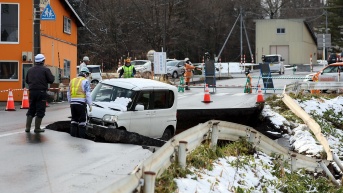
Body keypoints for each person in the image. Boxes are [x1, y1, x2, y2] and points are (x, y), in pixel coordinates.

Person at [25, 54, 55, 133]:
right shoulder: (45, 70)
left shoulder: (30, 70)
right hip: (41, 92)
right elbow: (51, 80)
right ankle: (37, 128)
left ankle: (27, 128)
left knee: (31, 109)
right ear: (43, 61)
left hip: (32, 91)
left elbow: (27, 80)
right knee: (40, 109)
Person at [67, 67, 93, 138]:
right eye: (87, 74)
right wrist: (90, 104)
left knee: (74, 120)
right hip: (81, 103)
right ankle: (81, 138)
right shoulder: (85, 81)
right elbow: (87, 94)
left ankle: (73, 136)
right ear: (85, 74)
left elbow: (68, 93)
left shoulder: (72, 80)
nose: (87, 76)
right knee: (82, 121)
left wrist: (70, 101)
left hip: (73, 104)